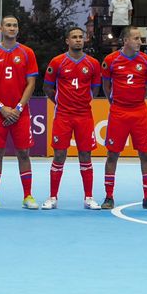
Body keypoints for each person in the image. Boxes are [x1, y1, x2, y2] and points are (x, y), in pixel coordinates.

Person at [0, 15, 38, 209]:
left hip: (21, 113)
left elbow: (31, 83)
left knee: (23, 153)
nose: (12, 28)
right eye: (8, 25)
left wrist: (19, 108)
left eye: (15, 26)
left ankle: (28, 196)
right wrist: (1, 107)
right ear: (0, 28)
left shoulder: (27, 53)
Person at [42, 27, 102, 210]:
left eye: (80, 37)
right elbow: (47, 87)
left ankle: (89, 198)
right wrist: (60, 102)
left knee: (86, 154)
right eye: (74, 37)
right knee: (59, 154)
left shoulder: (92, 63)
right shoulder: (57, 62)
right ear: (67, 41)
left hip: (84, 115)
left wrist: (84, 101)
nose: (78, 40)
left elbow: (96, 88)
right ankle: (52, 197)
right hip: (63, 115)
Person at [101, 27, 147, 210]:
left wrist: (136, 101)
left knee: (145, 154)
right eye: (136, 39)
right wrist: (117, 102)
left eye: (140, 39)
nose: (140, 42)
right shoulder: (111, 60)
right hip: (118, 112)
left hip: (139, 112)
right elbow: (106, 86)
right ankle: (109, 197)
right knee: (112, 154)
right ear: (125, 40)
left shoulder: (146, 60)